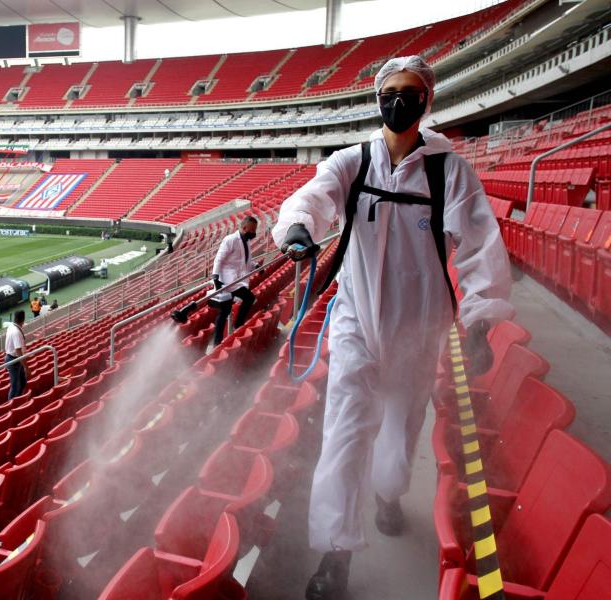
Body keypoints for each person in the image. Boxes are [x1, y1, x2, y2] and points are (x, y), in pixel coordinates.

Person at [271, 56, 512, 600]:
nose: (398, 101)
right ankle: (335, 555)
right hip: (357, 323)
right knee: (344, 433)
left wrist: (480, 320)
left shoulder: (450, 171)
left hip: (419, 330)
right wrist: (296, 229)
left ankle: (387, 495)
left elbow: (479, 246)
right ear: (378, 97)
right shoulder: (352, 162)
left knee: (400, 434)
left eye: (410, 92)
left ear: (426, 101)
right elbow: (313, 197)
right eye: (390, 91)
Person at [210, 216, 258, 346]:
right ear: (244, 228)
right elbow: (219, 259)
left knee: (226, 311)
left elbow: (245, 260)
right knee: (247, 299)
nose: (254, 233)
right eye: (252, 230)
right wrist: (215, 277)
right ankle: (236, 327)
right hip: (227, 280)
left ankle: (221, 339)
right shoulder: (230, 240)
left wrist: (255, 266)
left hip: (237, 280)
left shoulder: (246, 241)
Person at [4, 310, 29, 401]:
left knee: (21, 383)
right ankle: (11, 405)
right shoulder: (16, 332)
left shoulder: (12, 327)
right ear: (23, 319)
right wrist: (26, 367)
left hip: (15, 359)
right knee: (15, 385)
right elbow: (18, 351)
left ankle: (17, 400)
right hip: (13, 360)